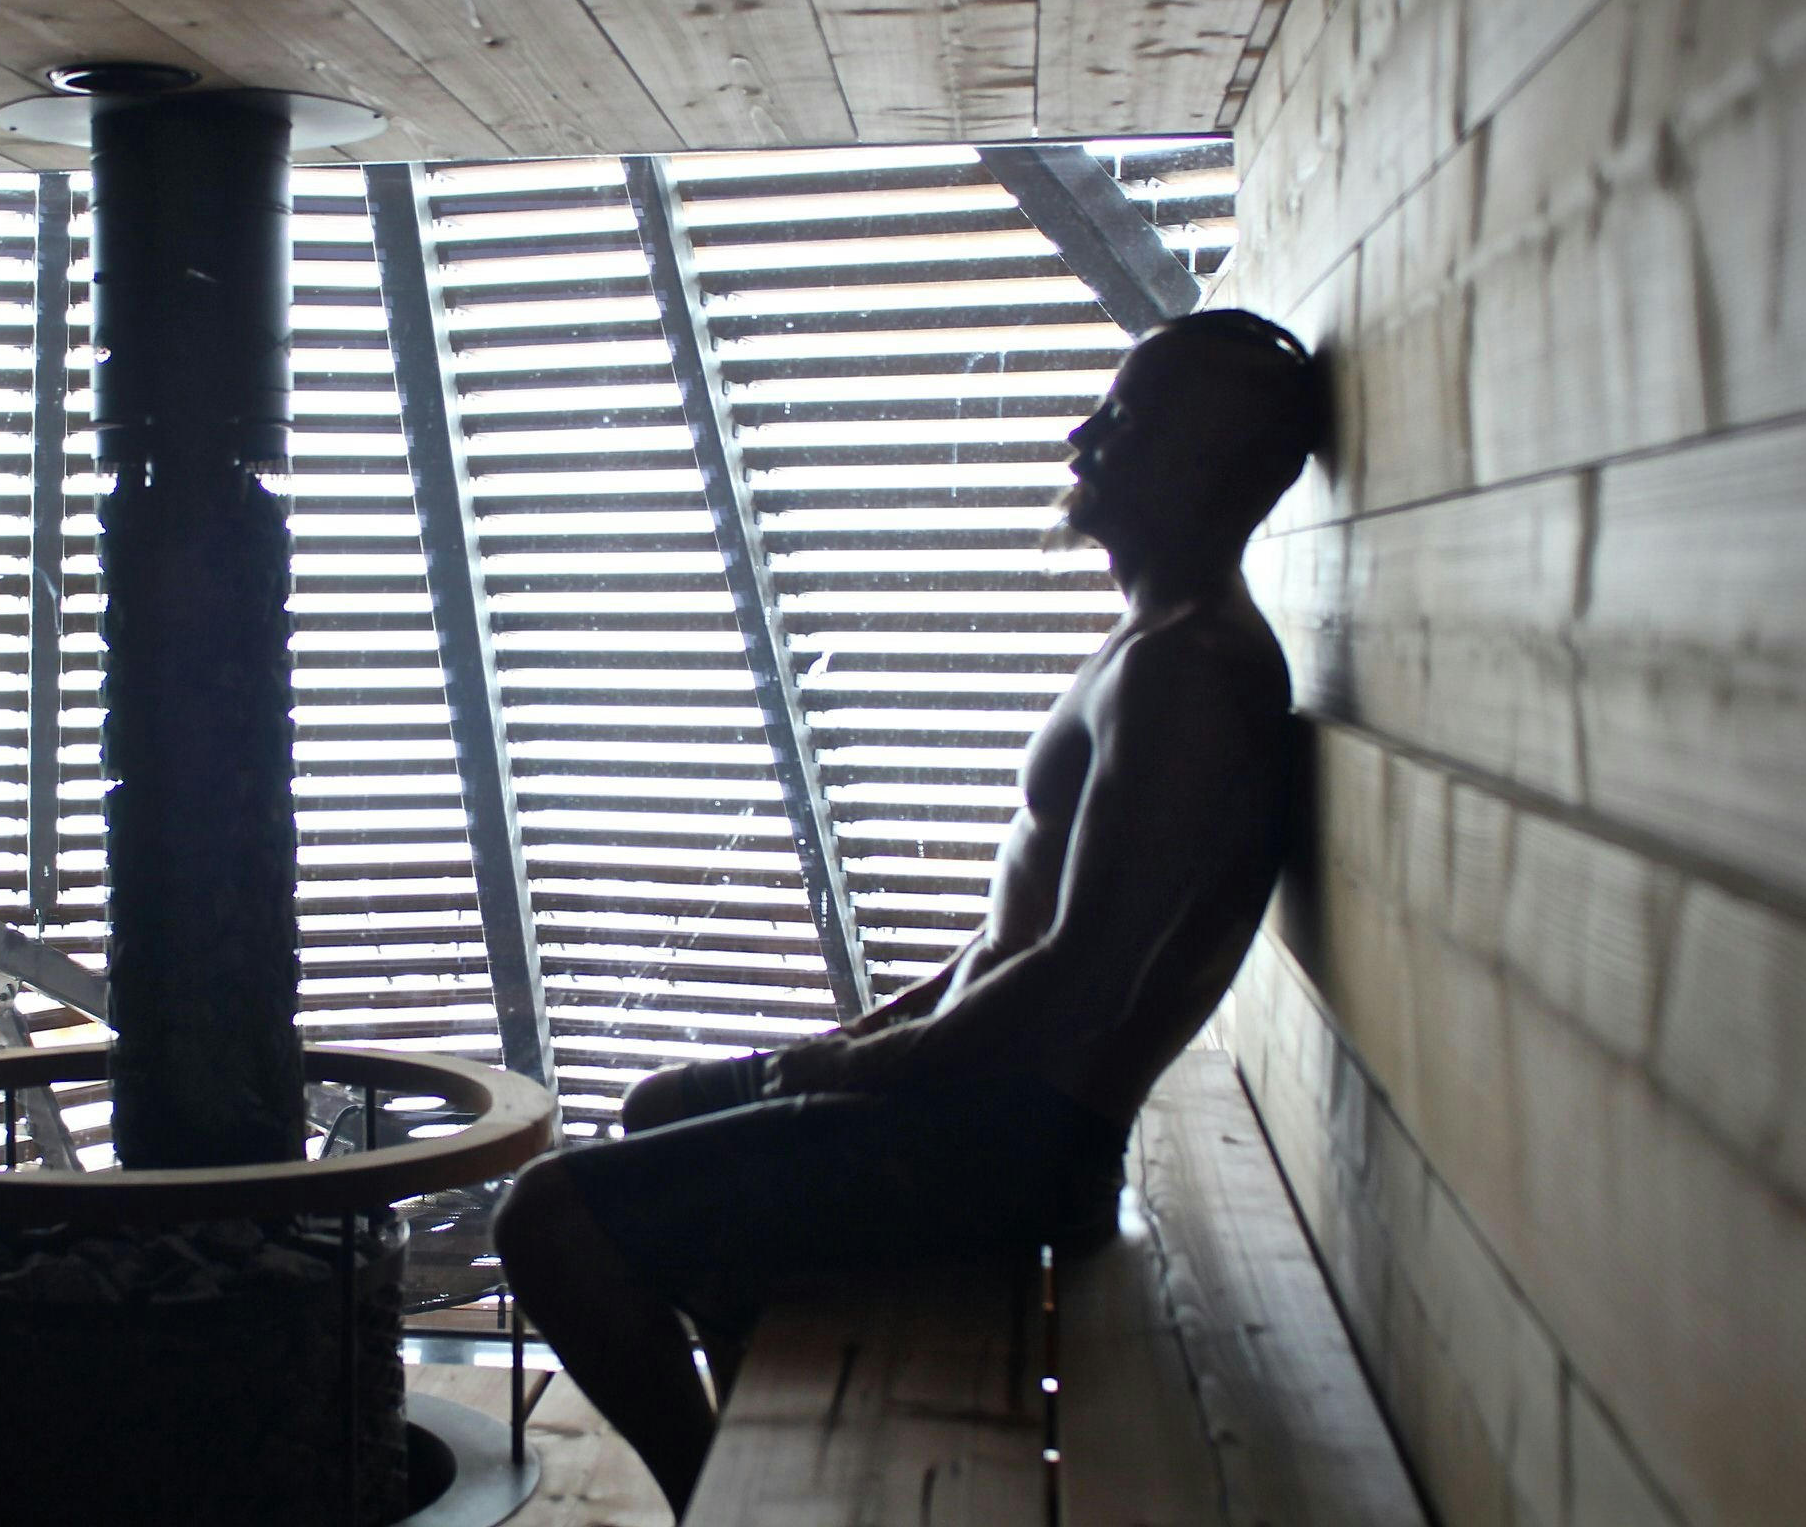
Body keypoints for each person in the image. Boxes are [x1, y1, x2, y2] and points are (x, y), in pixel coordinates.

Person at [490, 308, 1323, 1517]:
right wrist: (854, 1042)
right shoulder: (1151, 645)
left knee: (547, 1223)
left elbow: (1076, 976)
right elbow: (1011, 942)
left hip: (1025, 1147)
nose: (1082, 436)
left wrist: (864, 1070)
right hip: (990, 1108)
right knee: (657, 1106)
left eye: (1125, 420)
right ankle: (746, 1477)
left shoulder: (1190, 671)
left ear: (1209, 461)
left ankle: (705, 1503)